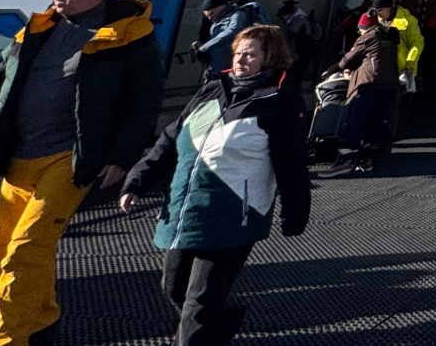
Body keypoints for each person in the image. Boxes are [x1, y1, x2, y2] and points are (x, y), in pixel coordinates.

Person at [0, 0, 163, 346]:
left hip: (68, 158)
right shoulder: (36, 30)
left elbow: (144, 102)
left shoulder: (130, 36)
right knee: (7, 250)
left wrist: (122, 157)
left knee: (27, 247)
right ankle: (40, 318)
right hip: (19, 156)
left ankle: (2, 340)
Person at [121, 25, 309, 346]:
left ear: (270, 58)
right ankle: (222, 321)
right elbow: (170, 139)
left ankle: (200, 332)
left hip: (234, 215)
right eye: (237, 52)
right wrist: (136, 181)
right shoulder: (211, 89)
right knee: (173, 287)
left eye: (250, 53)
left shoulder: (280, 102)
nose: (240, 59)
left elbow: (291, 162)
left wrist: (295, 211)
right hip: (186, 211)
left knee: (200, 300)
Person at [320, 0, 402, 177]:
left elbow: (349, 58)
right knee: (375, 121)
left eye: (359, 30)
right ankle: (367, 159)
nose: (359, 33)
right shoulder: (388, 35)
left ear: (364, 27)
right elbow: (375, 59)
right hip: (389, 85)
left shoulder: (368, 37)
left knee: (356, 119)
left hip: (370, 85)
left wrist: (332, 69)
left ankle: (346, 159)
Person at [194, 0, 260, 75]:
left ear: (221, 6)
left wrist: (205, 48)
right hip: (217, 68)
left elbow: (233, 30)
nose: (210, 18)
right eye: (208, 16)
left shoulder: (238, 15)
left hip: (231, 69)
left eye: (212, 13)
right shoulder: (217, 22)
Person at [276, 0, 319, 85]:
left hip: (302, 50)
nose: (282, 20)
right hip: (305, 50)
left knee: (295, 72)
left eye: (282, 18)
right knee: (298, 72)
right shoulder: (301, 18)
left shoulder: (298, 20)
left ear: (287, 14)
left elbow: (291, 34)